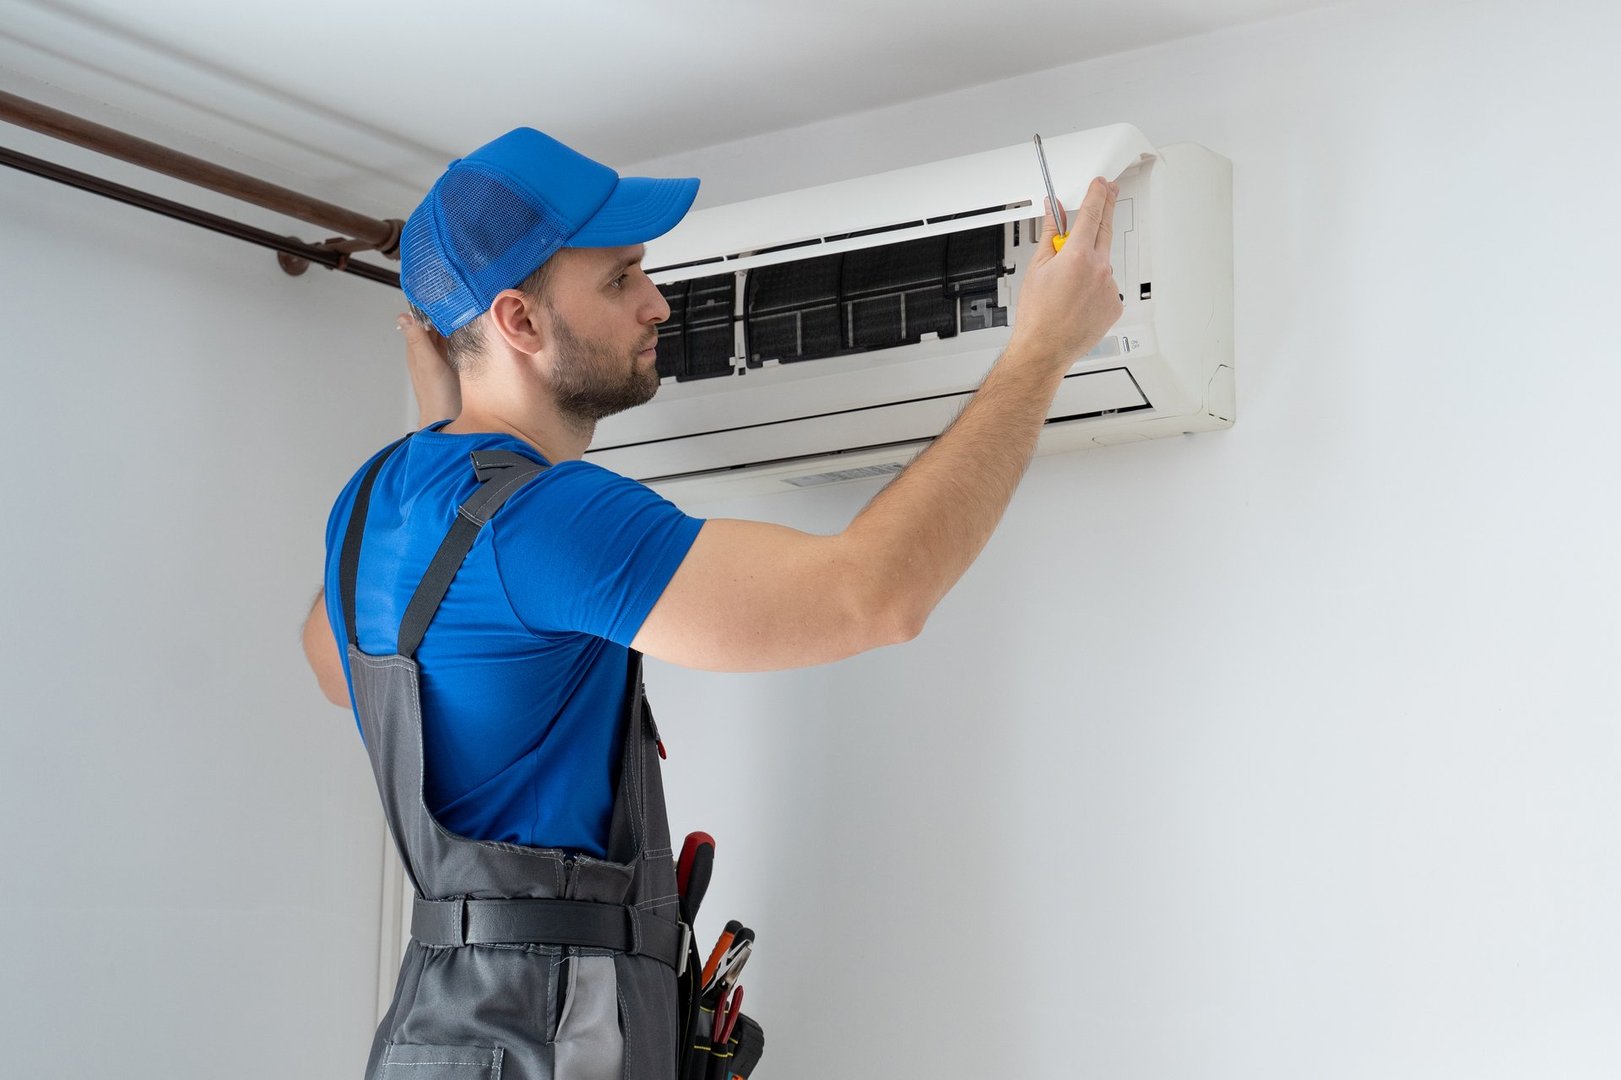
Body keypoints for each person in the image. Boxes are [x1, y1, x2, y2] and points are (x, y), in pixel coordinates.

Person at [301, 126, 1120, 1080]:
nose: (656, 302)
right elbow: (874, 596)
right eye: (618, 281)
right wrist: (1041, 353)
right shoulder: (547, 521)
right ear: (518, 322)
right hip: (549, 1032)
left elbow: (335, 666)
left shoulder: (373, 501)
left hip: (438, 1028)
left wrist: (446, 417)